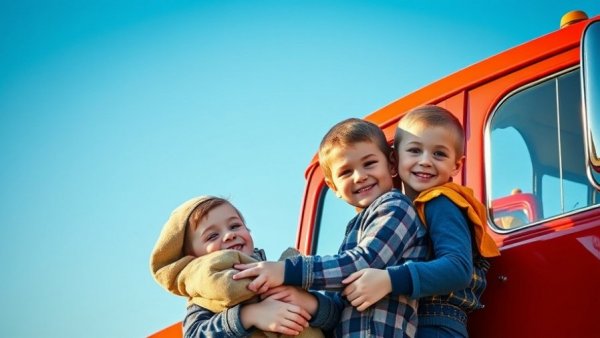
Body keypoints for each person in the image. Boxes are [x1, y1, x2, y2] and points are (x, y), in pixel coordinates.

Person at [233, 118, 429, 338]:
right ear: (333, 186)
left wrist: (287, 270)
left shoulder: (396, 206)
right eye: (346, 172)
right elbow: (342, 298)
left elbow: (364, 261)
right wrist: (310, 303)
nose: (360, 176)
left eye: (369, 163)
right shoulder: (354, 229)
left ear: (391, 164)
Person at [341, 105, 501, 338]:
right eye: (415, 150)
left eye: (439, 154)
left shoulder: (441, 202)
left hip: (436, 323)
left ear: (456, 165)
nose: (426, 161)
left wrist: (388, 279)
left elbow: (458, 268)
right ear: (395, 158)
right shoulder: (401, 209)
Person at [149, 195, 338, 337]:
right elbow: (194, 334)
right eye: (212, 236)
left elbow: (335, 319)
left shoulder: (277, 272)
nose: (229, 235)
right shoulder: (204, 295)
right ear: (193, 258)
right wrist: (249, 315)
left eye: (235, 226)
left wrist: (310, 304)